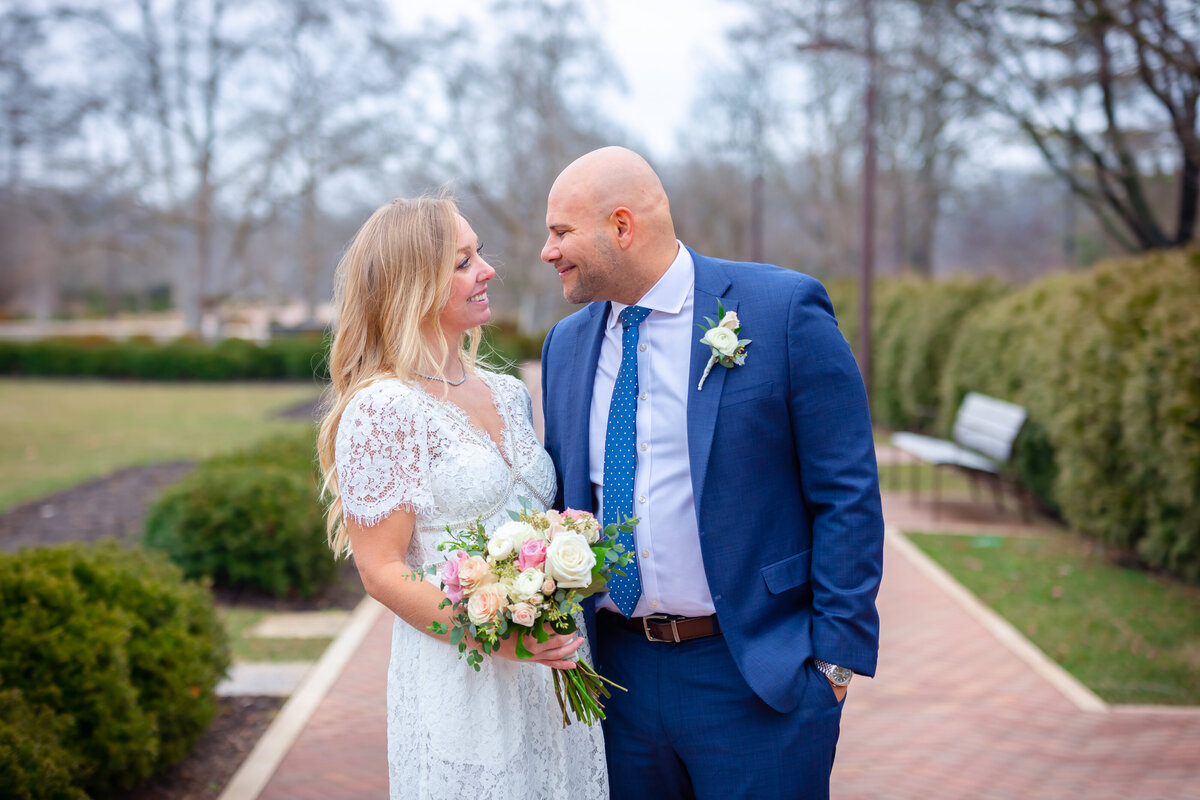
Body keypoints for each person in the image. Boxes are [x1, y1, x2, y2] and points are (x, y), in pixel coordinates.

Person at [539, 147, 884, 800]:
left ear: (621, 227)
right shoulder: (567, 344)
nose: (547, 251)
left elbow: (847, 493)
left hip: (755, 676)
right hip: (616, 678)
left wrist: (834, 662)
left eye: (560, 232)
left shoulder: (780, 311)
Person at [317, 195, 608, 799]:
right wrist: (502, 638)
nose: (487, 270)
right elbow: (382, 571)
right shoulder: (383, 409)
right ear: (412, 284)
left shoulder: (507, 393)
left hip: (550, 671)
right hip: (463, 674)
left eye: (479, 253)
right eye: (463, 261)